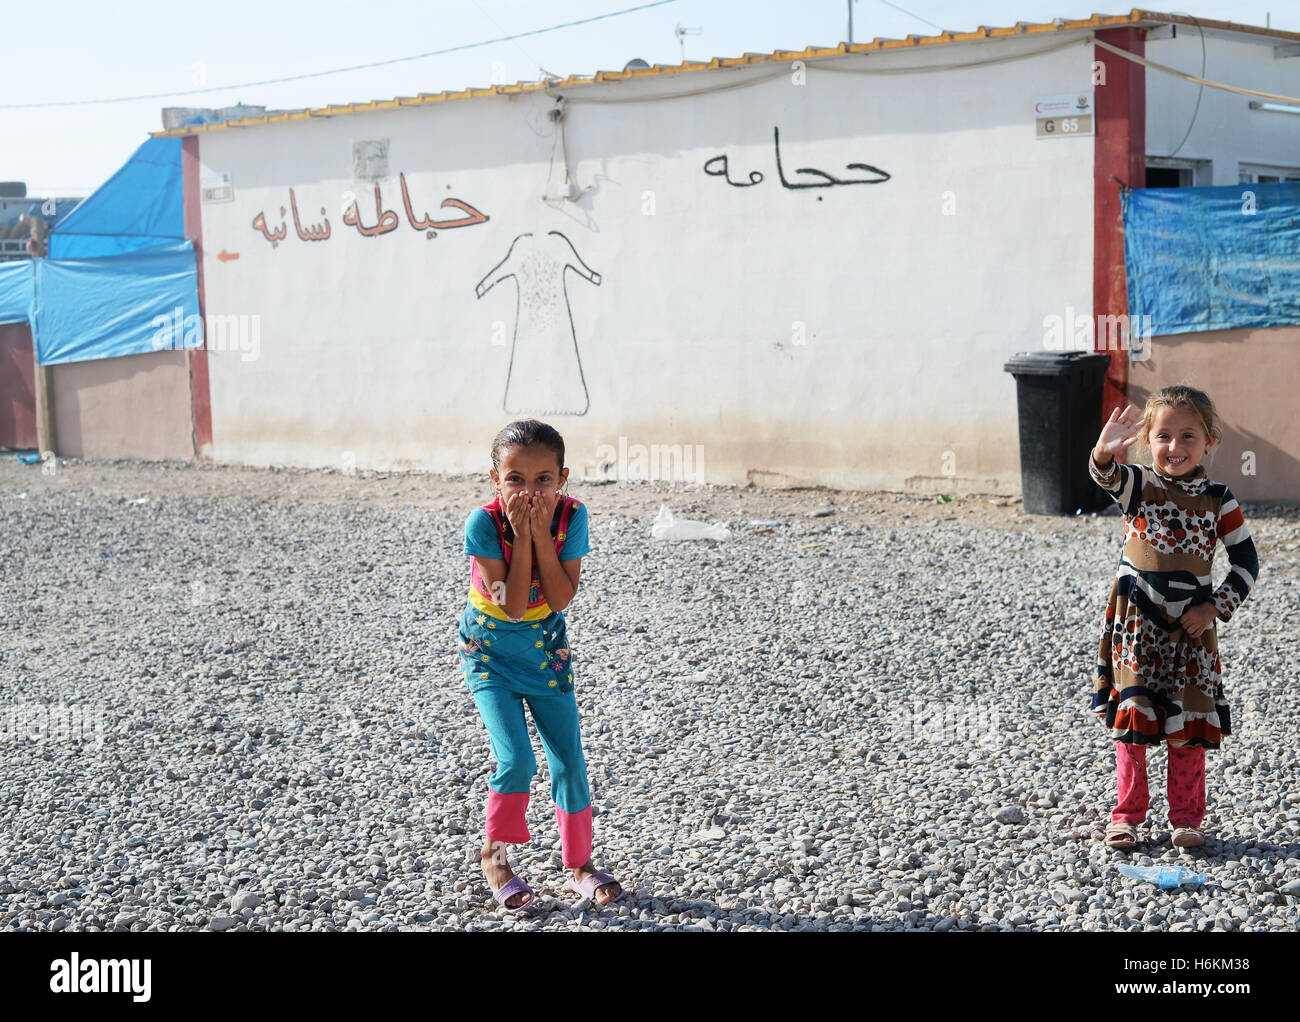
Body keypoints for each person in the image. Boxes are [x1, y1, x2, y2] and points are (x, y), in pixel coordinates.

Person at [457, 419, 623, 911]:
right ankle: (495, 857)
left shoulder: (572, 517)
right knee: (516, 760)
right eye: (516, 480)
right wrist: (523, 536)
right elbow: (509, 603)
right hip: (490, 657)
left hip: (546, 654)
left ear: (563, 477)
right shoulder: (483, 524)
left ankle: (579, 865)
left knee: (569, 759)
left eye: (543, 480)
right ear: (495, 480)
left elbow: (559, 597)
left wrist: (541, 535)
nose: (530, 492)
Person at [1088, 386, 1258, 850]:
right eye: (1163, 436)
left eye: (1188, 436)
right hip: (1136, 626)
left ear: (1210, 441)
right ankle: (1126, 816)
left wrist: (1214, 607)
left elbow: (1246, 563)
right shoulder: (1139, 484)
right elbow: (1106, 476)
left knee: (1189, 725)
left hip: (1192, 630)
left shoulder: (1219, 498)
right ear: (1147, 439)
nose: (1175, 447)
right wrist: (1103, 452)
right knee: (1133, 723)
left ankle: (1186, 818)